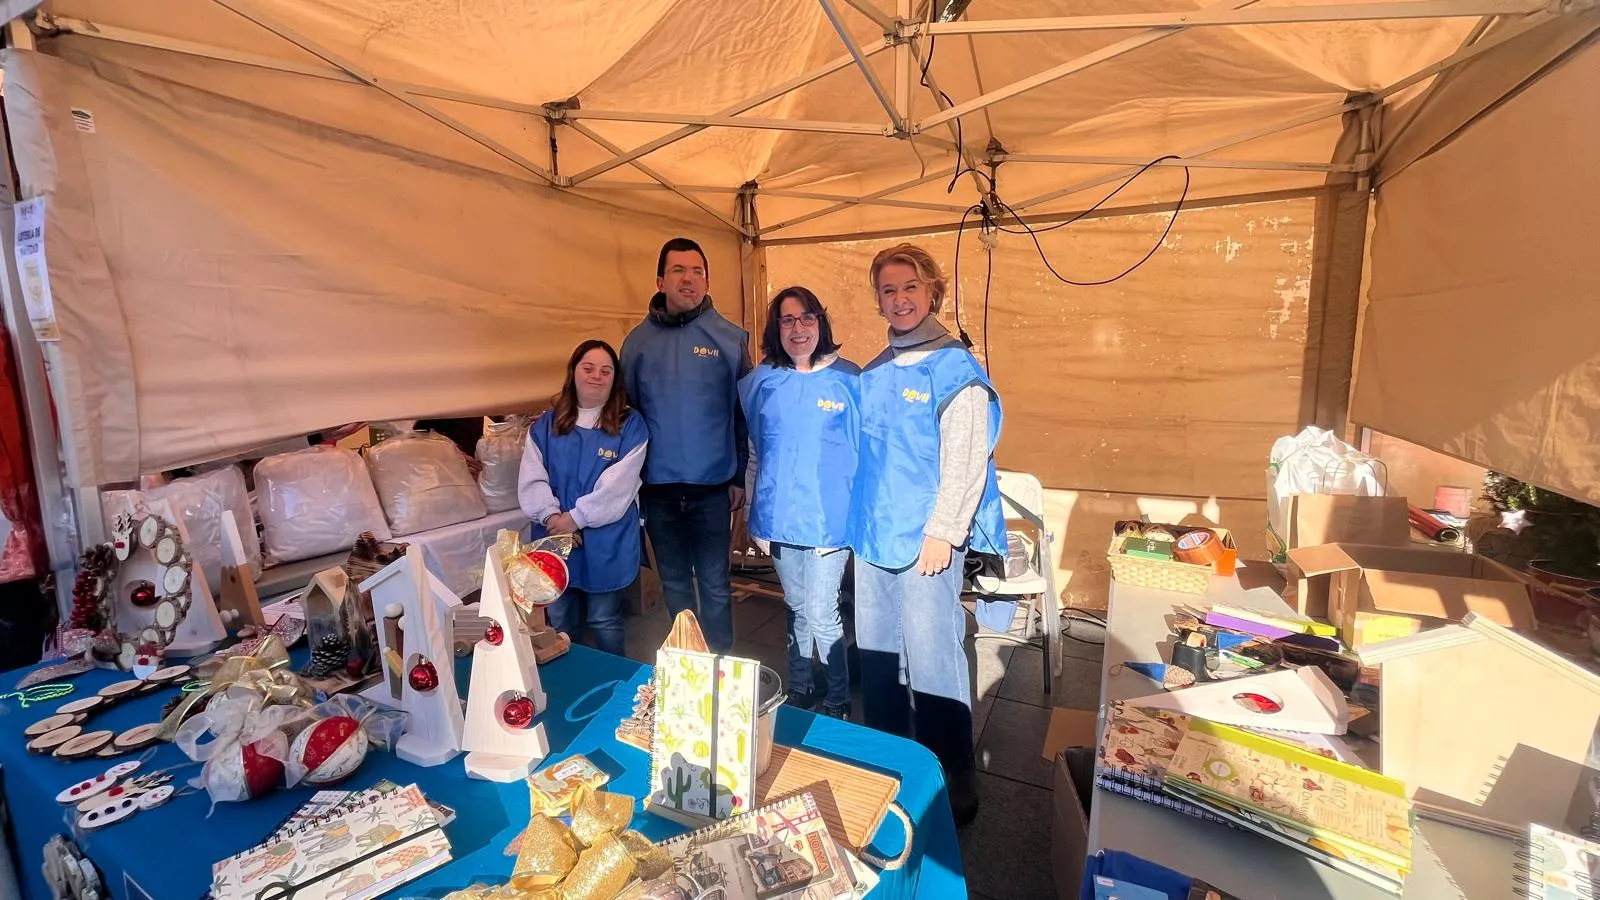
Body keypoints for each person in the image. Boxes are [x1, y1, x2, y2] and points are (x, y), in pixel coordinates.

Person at [848, 243, 1007, 827]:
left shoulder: (955, 370)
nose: (900, 300)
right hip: (873, 536)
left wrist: (944, 531)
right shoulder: (874, 371)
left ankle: (952, 769)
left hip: (926, 541)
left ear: (932, 291)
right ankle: (889, 758)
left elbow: (967, 461)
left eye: (910, 287)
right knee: (879, 654)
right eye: (888, 291)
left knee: (935, 655)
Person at [620, 238, 751, 653]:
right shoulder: (637, 344)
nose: (688, 279)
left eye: (697, 270)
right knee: (675, 588)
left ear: (707, 279)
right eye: (678, 270)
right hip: (658, 493)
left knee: (714, 586)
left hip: (712, 490)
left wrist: (738, 476)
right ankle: (687, 667)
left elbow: (741, 413)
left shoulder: (730, 339)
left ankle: (723, 668)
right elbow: (627, 416)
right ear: (660, 280)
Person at [739, 287, 859, 719]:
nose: (798, 328)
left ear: (821, 322)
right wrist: (757, 518)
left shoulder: (850, 379)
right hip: (780, 519)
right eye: (787, 320)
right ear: (777, 328)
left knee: (823, 612)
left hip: (831, 522)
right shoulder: (761, 384)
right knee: (796, 609)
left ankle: (838, 700)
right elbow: (756, 453)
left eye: (807, 317)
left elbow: (865, 455)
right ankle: (802, 690)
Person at [519, 340, 649, 656]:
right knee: (561, 619)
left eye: (605, 371)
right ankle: (572, 688)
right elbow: (532, 477)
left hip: (606, 539)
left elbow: (617, 486)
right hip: (554, 538)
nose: (596, 376)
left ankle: (613, 684)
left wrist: (574, 519)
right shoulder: (545, 425)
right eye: (588, 368)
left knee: (604, 618)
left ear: (614, 379)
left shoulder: (630, 425)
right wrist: (552, 517)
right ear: (573, 372)